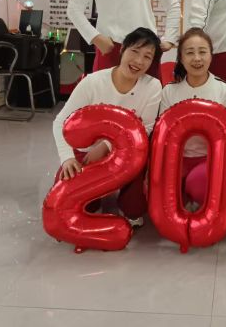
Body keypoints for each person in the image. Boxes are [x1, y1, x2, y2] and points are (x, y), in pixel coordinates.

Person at [53, 27, 163, 227]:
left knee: (134, 209)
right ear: (122, 50)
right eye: (134, 51)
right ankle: (97, 192)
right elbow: (61, 121)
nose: (139, 61)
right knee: (74, 204)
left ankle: (126, 197)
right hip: (87, 153)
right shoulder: (93, 82)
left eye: (147, 56)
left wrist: (105, 147)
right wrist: (67, 158)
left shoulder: (153, 86)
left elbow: (146, 129)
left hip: (128, 155)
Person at [159, 28, 226, 210]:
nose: (197, 58)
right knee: (164, 200)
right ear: (181, 58)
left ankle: (200, 197)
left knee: (197, 185)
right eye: (189, 53)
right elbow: (161, 134)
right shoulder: (169, 91)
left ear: (211, 55)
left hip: (210, 160)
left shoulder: (224, 90)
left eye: (202, 52)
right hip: (176, 158)